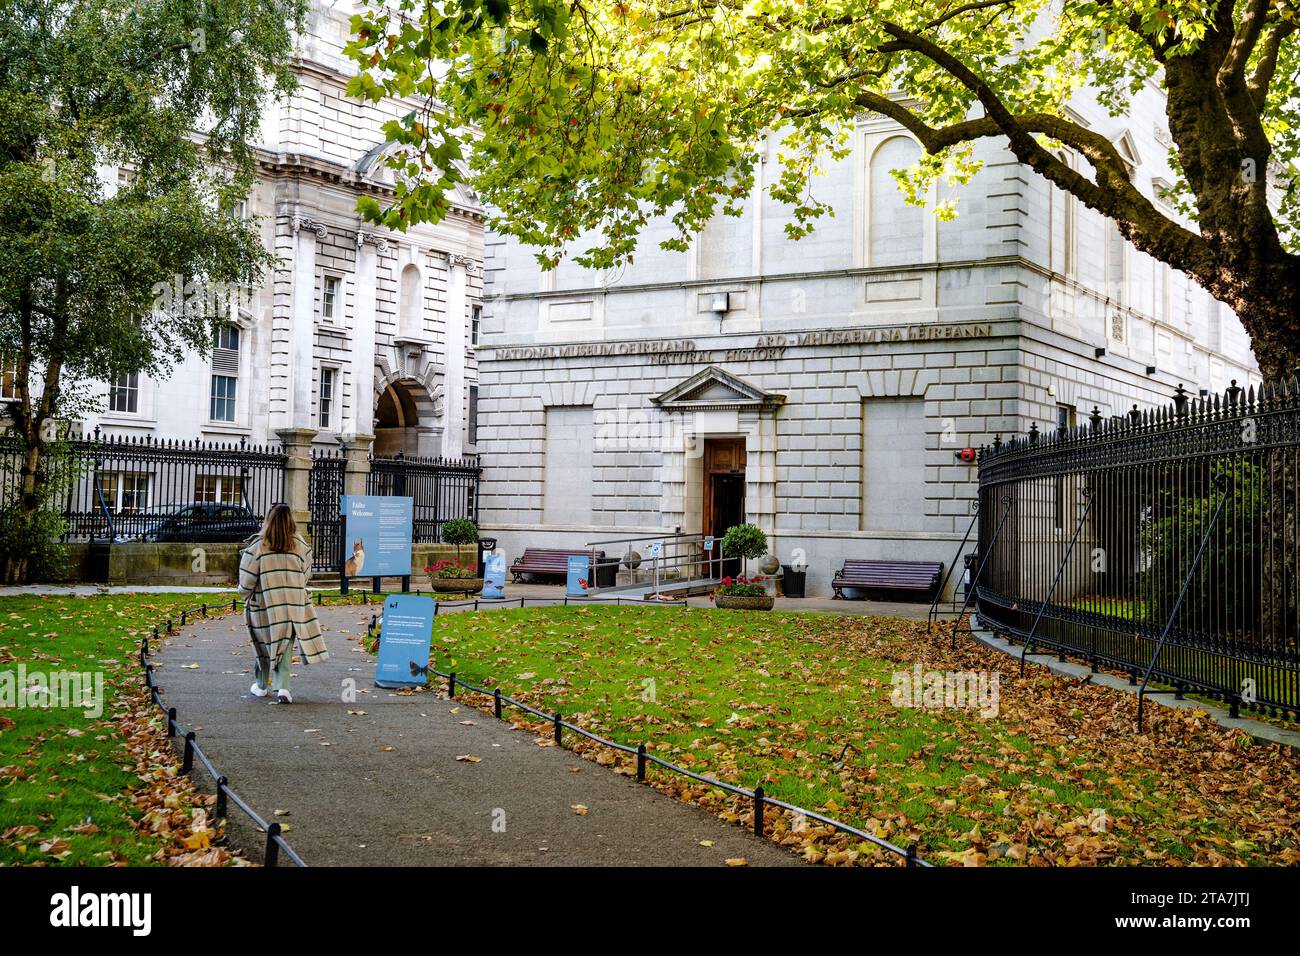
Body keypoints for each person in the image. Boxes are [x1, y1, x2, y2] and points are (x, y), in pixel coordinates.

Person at [237, 503, 328, 703]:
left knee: (263, 644)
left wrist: (247, 595)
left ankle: (261, 685)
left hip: (264, 604)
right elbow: (305, 575)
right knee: (284, 644)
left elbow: (246, 582)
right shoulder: (301, 546)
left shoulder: (258, 546)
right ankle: (283, 688)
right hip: (293, 604)